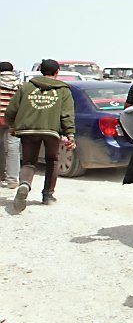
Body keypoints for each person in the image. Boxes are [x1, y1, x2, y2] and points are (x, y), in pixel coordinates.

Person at [5, 59, 75, 211]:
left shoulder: (27, 87)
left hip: (28, 130)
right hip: (51, 131)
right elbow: (67, 114)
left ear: (41, 71)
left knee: (29, 162)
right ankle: (48, 195)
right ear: (57, 72)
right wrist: (70, 134)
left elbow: (11, 109)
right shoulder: (63, 90)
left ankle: (25, 184)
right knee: (52, 160)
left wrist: (12, 126)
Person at [0, 62, 22, 188]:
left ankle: (1, 175)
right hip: (14, 122)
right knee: (13, 149)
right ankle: (12, 179)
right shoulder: (19, 84)